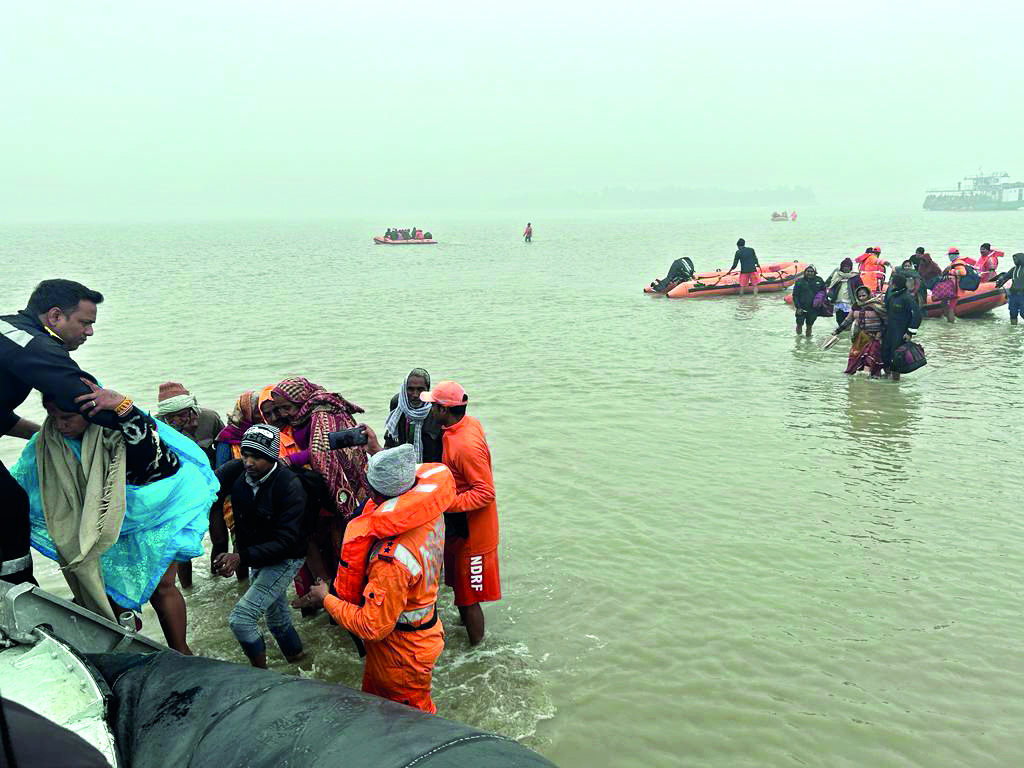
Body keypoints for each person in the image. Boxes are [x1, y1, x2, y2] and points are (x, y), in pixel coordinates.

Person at [11, 386, 214, 653]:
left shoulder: (121, 430)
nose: (59, 425)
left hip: (157, 513)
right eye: (52, 416)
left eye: (67, 418)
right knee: (112, 587)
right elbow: (19, 487)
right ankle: (128, 645)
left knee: (163, 587)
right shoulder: (48, 441)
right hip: (102, 524)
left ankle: (182, 652)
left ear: (91, 412)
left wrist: (124, 408)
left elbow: (153, 463)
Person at [307, 444, 454, 713]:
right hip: (416, 634)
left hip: (402, 655)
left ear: (375, 492)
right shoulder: (429, 514)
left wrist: (325, 598)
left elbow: (372, 626)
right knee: (379, 713)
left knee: (411, 725)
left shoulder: (392, 558)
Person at [1, 279, 120, 587]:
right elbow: (80, 395)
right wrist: (134, 419)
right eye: (84, 323)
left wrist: (43, 436)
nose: (89, 332)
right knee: (10, 503)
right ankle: (19, 588)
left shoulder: (8, 330)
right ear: (55, 316)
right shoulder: (35, 344)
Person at [211, 425, 307, 668]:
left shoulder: (289, 485)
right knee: (276, 620)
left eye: (257, 457)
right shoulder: (235, 471)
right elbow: (206, 493)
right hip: (255, 555)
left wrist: (240, 557)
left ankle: (261, 675)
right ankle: (299, 662)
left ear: (272, 457)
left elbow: (286, 542)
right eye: (245, 454)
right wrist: (220, 540)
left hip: (286, 558)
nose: (249, 462)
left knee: (241, 619)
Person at [271, 377, 370, 599]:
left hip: (340, 485)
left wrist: (290, 460)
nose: (285, 413)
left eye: (287, 407)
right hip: (319, 484)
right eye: (280, 409)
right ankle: (335, 591)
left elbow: (321, 450)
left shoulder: (322, 413)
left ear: (300, 398)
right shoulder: (303, 415)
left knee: (344, 537)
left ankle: (350, 593)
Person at [420, 380, 500, 646]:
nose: (430, 409)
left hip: (474, 532)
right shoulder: (462, 425)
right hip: (458, 526)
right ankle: (463, 628)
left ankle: (478, 650)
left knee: (469, 599)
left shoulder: (464, 445)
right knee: (457, 589)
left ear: (444, 410)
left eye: (433, 405)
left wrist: (444, 503)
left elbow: (485, 492)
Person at [383, 368, 442, 462]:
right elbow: (391, 434)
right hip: (402, 465)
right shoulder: (398, 403)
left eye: (420, 389)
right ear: (404, 389)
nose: (415, 394)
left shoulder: (436, 409)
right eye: (410, 389)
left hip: (430, 467)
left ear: (428, 389)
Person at [834, 285, 887, 377]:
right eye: (860, 296)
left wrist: (880, 332)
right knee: (855, 356)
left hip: (875, 336)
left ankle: (867, 376)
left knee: (871, 355)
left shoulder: (877, 305)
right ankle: (856, 378)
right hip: (861, 336)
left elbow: (886, 321)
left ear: (869, 295)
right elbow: (848, 320)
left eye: (864, 295)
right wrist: (837, 331)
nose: (862, 298)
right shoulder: (856, 306)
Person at [881, 274, 923, 381]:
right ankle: (887, 377)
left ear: (896, 283)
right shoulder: (891, 293)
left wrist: (910, 333)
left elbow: (917, 315)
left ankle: (896, 381)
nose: (890, 283)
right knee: (885, 353)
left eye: (892, 282)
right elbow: (884, 309)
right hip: (888, 330)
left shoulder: (906, 297)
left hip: (900, 332)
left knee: (897, 357)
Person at [825, 258, 863, 329]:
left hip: (850, 303)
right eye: (844, 266)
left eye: (847, 266)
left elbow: (861, 289)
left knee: (849, 321)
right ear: (841, 267)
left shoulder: (855, 277)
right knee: (839, 320)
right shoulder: (837, 275)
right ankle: (843, 336)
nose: (845, 268)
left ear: (850, 267)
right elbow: (829, 284)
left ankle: (848, 335)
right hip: (838, 302)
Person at [792, 266, 825, 337]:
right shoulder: (799, 281)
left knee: (809, 326)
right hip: (801, 308)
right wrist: (798, 307)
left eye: (811, 271)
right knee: (799, 324)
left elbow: (824, 291)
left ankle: (808, 342)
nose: (809, 273)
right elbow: (795, 295)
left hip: (813, 309)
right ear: (805, 272)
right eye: (808, 271)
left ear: (814, 272)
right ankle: (798, 340)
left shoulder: (819, 280)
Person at [995, 252, 1024, 326]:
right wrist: (1000, 281)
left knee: (1023, 313)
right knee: (1013, 313)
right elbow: (1005, 276)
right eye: (1013, 259)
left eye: (1016, 259)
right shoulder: (1014, 269)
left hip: (1022, 295)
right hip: (1013, 294)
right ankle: (1013, 329)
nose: (1014, 261)